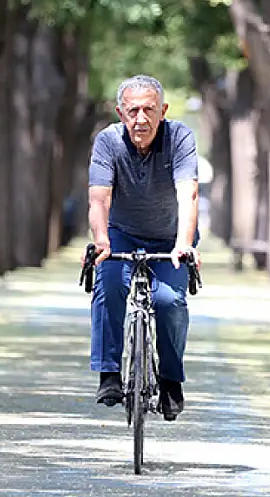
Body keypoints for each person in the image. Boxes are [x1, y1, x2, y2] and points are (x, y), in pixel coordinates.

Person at [87, 74, 200, 421]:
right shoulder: (108, 142)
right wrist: (101, 240)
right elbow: (99, 197)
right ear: (121, 114)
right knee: (108, 283)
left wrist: (183, 244)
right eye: (133, 111)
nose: (141, 119)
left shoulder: (179, 138)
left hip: (171, 236)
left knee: (168, 300)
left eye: (149, 110)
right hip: (121, 233)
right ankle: (109, 374)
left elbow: (188, 193)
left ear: (162, 111)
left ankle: (169, 380)